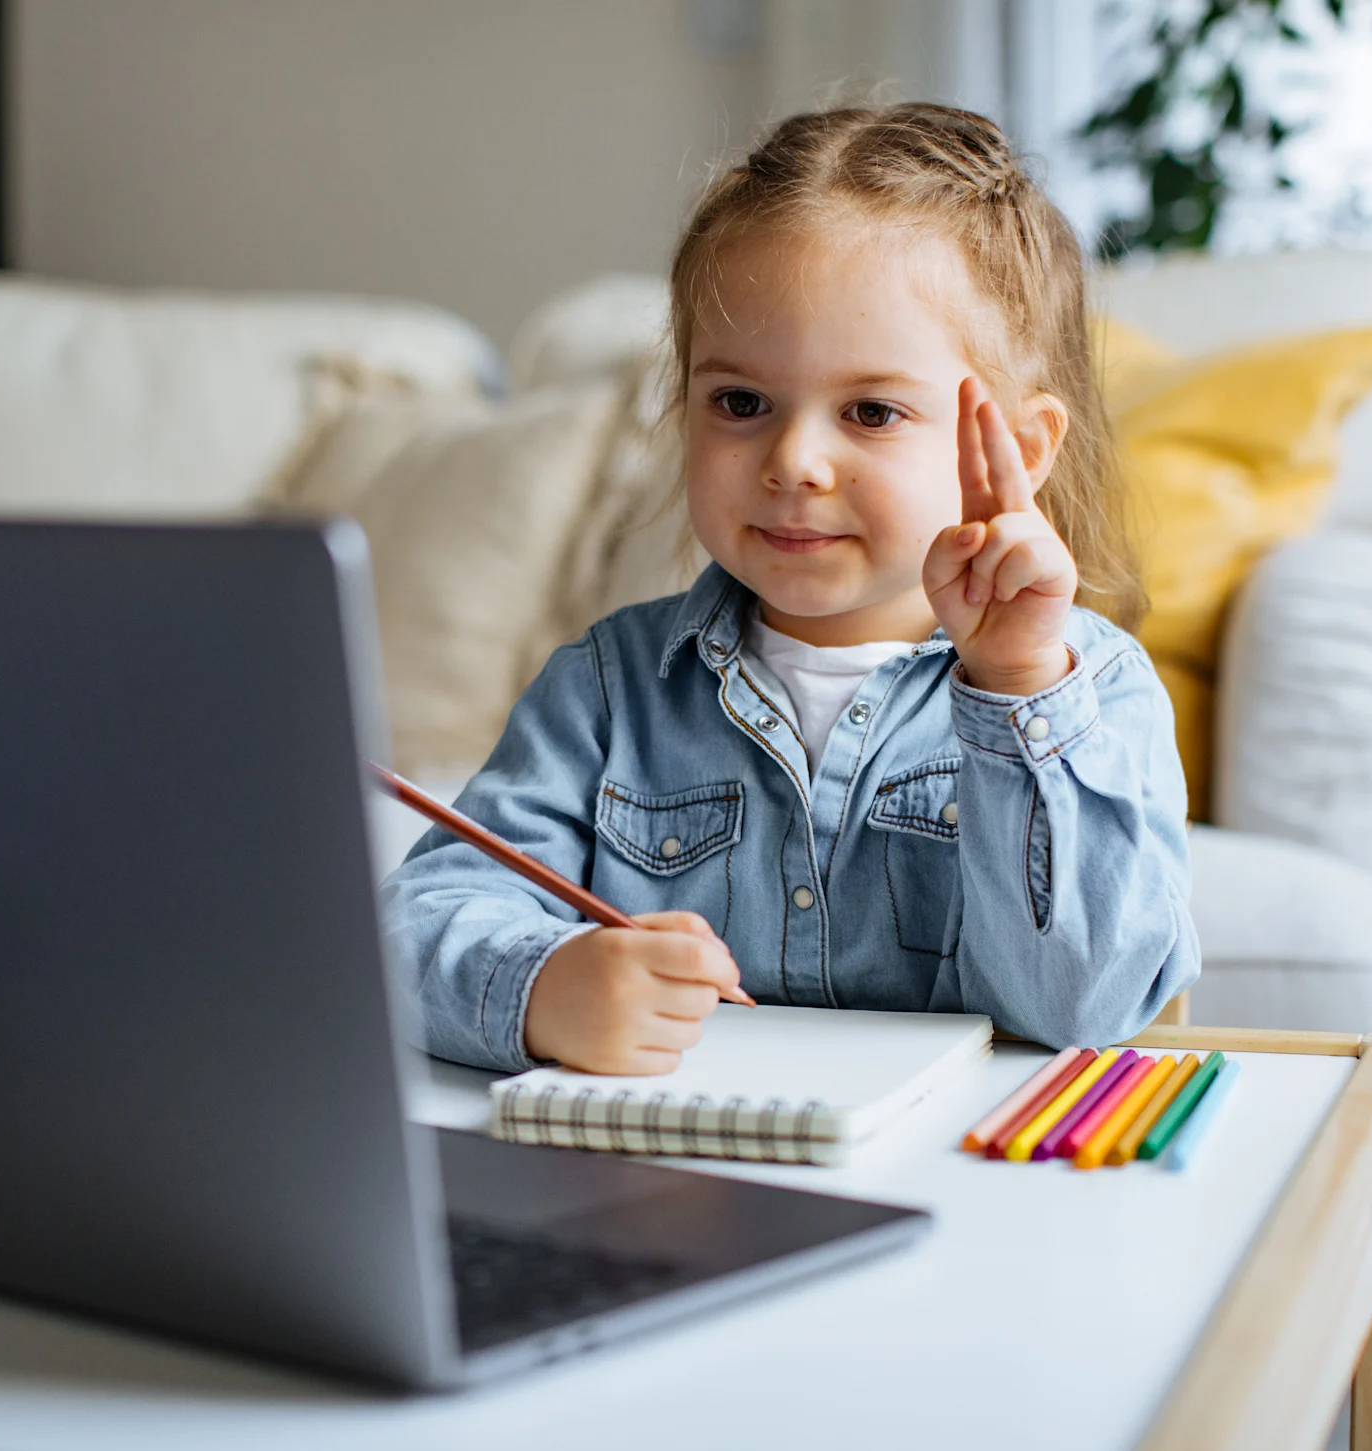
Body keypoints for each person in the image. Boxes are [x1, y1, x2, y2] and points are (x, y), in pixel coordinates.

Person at [384, 103, 1198, 1075]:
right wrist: (541, 984)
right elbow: (412, 929)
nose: (794, 460)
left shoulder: (1090, 692)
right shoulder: (606, 688)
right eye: (739, 402)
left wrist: (1016, 684)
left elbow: (1082, 1006)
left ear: (1016, 450)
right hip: (675, 1185)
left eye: (869, 410)